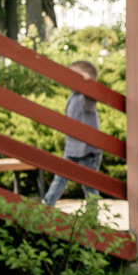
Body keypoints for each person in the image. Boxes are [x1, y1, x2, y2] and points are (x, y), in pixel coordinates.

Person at [42, 60, 103, 205]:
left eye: (74, 76)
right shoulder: (72, 98)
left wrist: (87, 84)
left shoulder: (85, 99)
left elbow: (91, 97)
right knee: (60, 178)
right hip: (71, 149)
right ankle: (47, 203)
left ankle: (92, 214)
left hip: (88, 151)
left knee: (89, 185)